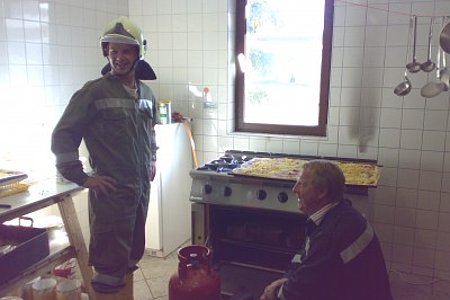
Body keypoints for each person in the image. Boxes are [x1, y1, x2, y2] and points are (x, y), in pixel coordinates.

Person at [51, 16, 158, 297]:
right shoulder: (93, 92)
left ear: (138, 54)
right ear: (106, 54)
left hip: (139, 191)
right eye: (113, 52)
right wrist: (81, 178)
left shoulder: (147, 93)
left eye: (126, 51)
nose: (119, 58)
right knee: (109, 269)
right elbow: (63, 135)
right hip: (111, 193)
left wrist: (152, 159)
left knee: (130, 259)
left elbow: (150, 131)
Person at [259, 160, 392, 300]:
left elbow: (298, 291)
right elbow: (307, 257)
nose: (294, 189)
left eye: (302, 184)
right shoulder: (341, 213)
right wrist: (288, 278)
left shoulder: (330, 235)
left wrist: (272, 292)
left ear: (322, 192)